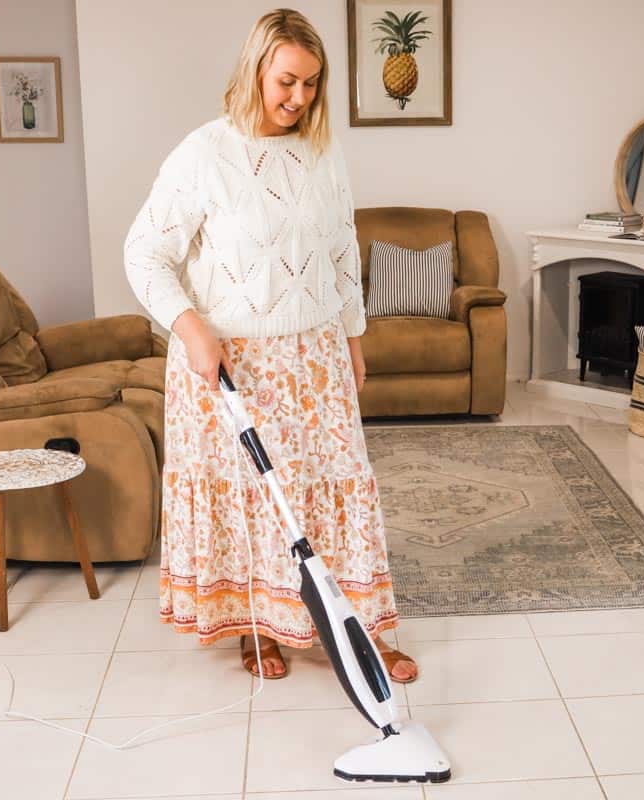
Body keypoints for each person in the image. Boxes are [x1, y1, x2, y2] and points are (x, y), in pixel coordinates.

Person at [124, 7, 417, 683]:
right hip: (231, 363)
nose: (300, 98)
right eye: (288, 80)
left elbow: (343, 252)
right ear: (255, 69)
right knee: (257, 500)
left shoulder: (323, 152)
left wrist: (353, 337)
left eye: (312, 84)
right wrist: (190, 326)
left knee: (337, 489)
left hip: (312, 356)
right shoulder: (204, 153)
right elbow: (144, 255)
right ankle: (258, 627)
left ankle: (369, 627)